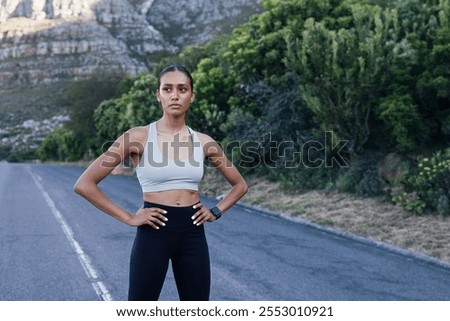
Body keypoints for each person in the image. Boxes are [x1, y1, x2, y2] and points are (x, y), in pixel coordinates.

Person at [73, 64, 248, 301]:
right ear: (158, 95)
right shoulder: (137, 137)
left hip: (193, 234)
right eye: (167, 89)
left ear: (192, 96)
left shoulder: (205, 142)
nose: (175, 95)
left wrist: (215, 211)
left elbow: (239, 185)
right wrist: (129, 217)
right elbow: (85, 184)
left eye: (182, 89)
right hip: (153, 233)